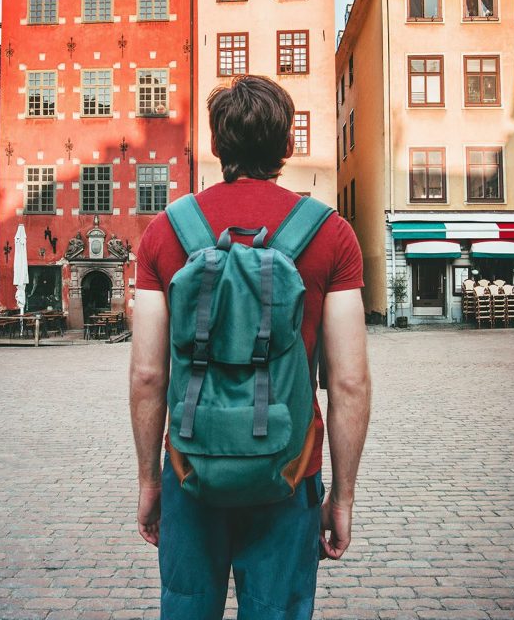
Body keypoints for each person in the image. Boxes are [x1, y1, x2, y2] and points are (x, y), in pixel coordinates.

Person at [129, 74, 371, 619]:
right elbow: (349, 382)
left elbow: (148, 375)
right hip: (289, 474)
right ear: (287, 146)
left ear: (217, 146)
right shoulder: (331, 234)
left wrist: (149, 481)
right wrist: (343, 497)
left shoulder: (166, 232)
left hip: (192, 470)